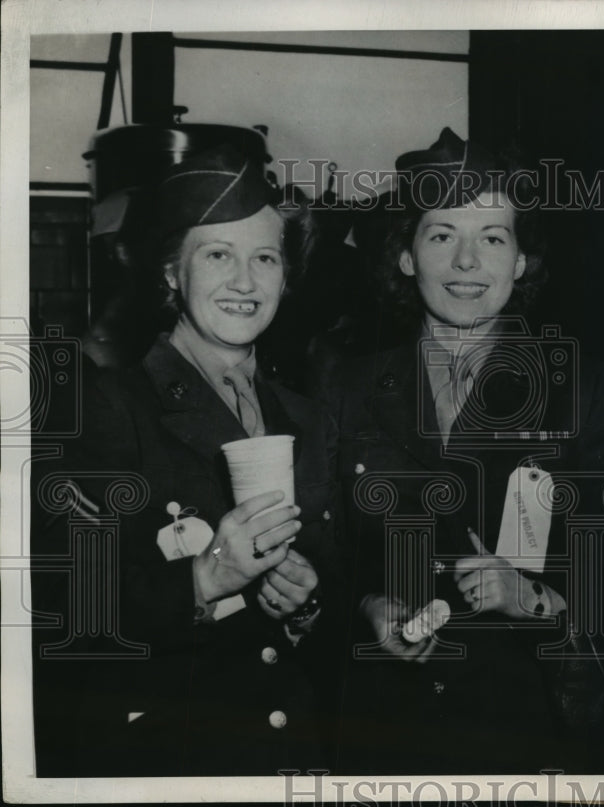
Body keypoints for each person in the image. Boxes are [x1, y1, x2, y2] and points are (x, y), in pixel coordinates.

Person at [320, 128, 604, 773]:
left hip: (523, 727)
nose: (467, 263)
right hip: (381, 731)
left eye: (492, 238)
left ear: (521, 262)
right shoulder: (345, 386)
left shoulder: (582, 387)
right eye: (441, 236)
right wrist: (365, 605)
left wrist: (530, 599)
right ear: (406, 256)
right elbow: (330, 550)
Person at [33, 145, 341, 776]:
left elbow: (334, 597)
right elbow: (63, 615)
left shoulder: (306, 417)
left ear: (287, 275)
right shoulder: (106, 409)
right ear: (173, 271)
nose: (246, 282)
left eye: (265, 257)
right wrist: (204, 579)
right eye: (218, 255)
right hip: (172, 761)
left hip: (291, 757)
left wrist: (306, 608)